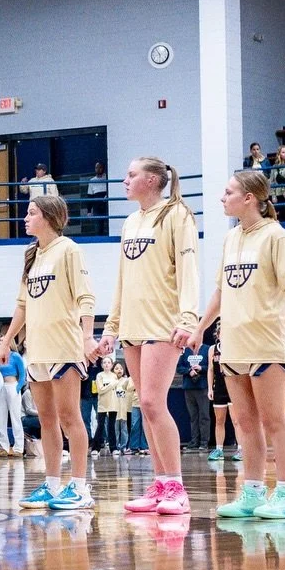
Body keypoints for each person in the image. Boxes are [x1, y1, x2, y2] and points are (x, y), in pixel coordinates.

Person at [192, 171, 285, 520]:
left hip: (266, 343)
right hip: (233, 345)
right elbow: (221, 291)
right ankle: (253, 492)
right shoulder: (230, 239)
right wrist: (200, 328)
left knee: (274, 420)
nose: (221, 198)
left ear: (249, 198)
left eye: (228, 192)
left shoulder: (275, 235)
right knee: (244, 422)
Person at [99, 157, 199, 517]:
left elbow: (189, 270)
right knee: (145, 404)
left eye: (131, 174)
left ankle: (176, 487)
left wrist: (188, 317)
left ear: (153, 180)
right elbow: (123, 281)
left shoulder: (177, 215)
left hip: (164, 323)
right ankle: (159, 485)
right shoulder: (129, 222)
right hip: (133, 327)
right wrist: (112, 327)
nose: (124, 180)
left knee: (155, 404)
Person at [0, 194, 97, 509]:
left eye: (31, 213)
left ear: (50, 217)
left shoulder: (68, 250)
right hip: (36, 351)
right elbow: (22, 305)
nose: (25, 218)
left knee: (69, 416)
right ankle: (52, 485)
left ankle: (80, 487)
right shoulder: (33, 255)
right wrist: (6, 340)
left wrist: (88, 338)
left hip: (64, 347)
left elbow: (86, 297)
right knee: (46, 419)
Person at [205, 340, 237, 462]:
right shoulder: (213, 349)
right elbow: (210, 369)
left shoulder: (234, 345)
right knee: (219, 420)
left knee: (236, 420)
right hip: (219, 387)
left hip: (233, 386)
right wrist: (209, 388)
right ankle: (219, 450)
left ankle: (240, 449)